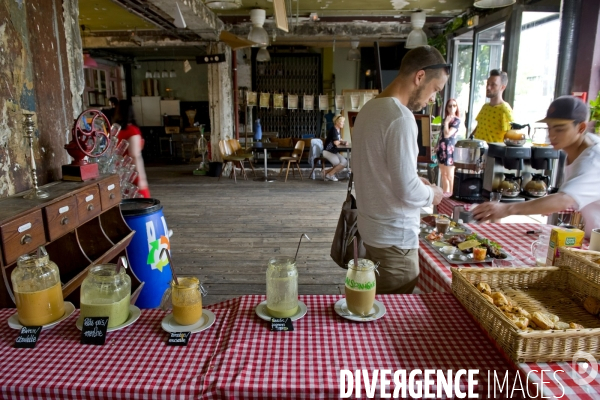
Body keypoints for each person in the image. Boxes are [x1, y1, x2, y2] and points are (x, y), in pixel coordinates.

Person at [352, 46, 446, 294]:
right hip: (395, 240)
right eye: (435, 89)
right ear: (420, 77)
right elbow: (405, 189)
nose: (433, 99)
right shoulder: (401, 118)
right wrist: (432, 194)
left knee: (373, 310)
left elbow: (375, 171)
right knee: (390, 324)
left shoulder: (368, 110)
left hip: (370, 232)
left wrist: (415, 180)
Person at [473, 96, 600, 238]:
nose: (551, 135)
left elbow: (564, 200)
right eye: (549, 128)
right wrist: (546, 202)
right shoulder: (577, 149)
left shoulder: (593, 159)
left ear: (581, 127)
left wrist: (507, 208)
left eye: (559, 129)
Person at [114, 101, 151, 198]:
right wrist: (142, 178)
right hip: (132, 173)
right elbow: (135, 155)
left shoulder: (115, 130)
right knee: (143, 205)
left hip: (119, 172)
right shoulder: (132, 130)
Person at [472, 69, 513, 143]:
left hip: (493, 152)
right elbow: (479, 127)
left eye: (493, 84)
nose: (488, 87)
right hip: (478, 151)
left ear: (502, 87)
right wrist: (469, 141)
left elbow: (510, 135)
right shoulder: (485, 107)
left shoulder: (505, 109)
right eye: (488, 83)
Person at [436, 98, 461, 195]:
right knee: (443, 175)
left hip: (450, 149)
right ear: (446, 107)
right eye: (450, 106)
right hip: (441, 148)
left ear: (456, 107)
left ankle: (451, 195)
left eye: (454, 105)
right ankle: (445, 195)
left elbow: (447, 134)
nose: (452, 108)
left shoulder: (457, 120)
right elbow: (441, 134)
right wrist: (436, 146)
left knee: (450, 176)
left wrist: (446, 122)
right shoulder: (444, 119)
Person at [322, 114, 349, 182]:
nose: (343, 123)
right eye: (342, 122)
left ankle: (326, 172)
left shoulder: (338, 130)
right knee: (338, 164)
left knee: (344, 162)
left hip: (334, 151)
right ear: (337, 122)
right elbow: (336, 143)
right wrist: (342, 142)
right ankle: (330, 174)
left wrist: (343, 141)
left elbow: (339, 139)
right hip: (328, 151)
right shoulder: (333, 130)